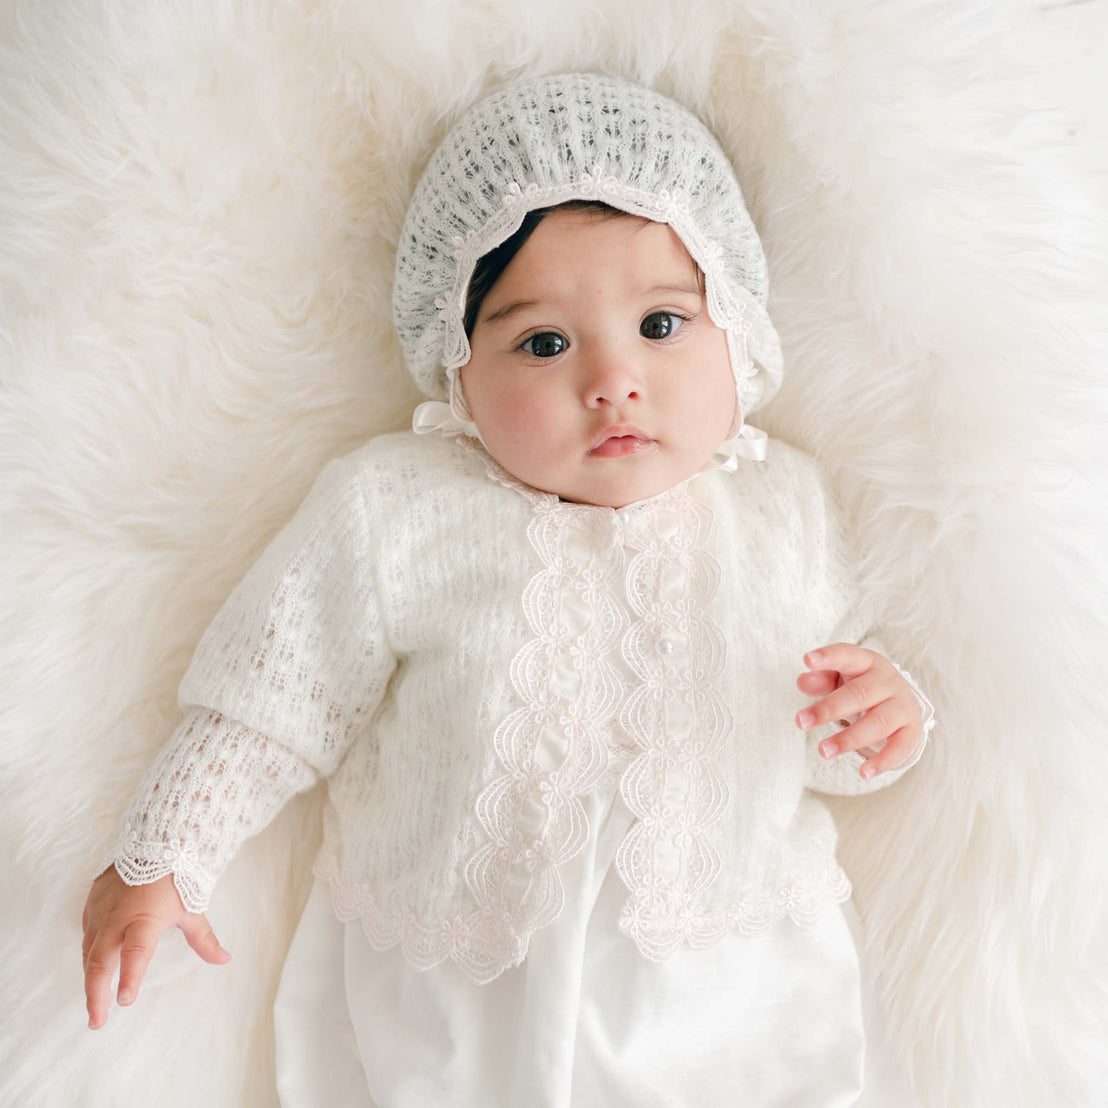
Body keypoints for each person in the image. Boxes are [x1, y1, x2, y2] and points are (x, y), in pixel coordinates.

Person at [81, 71, 936, 1106]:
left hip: (725, 986)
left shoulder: (781, 508)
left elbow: (818, 732)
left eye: (662, 326)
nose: (613, 379)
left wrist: (878, 718)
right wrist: (167, 850)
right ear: (457, 369)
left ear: (739, 332)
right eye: (542, 342)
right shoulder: (399, 504)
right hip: (457, 982)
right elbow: (274, 696)